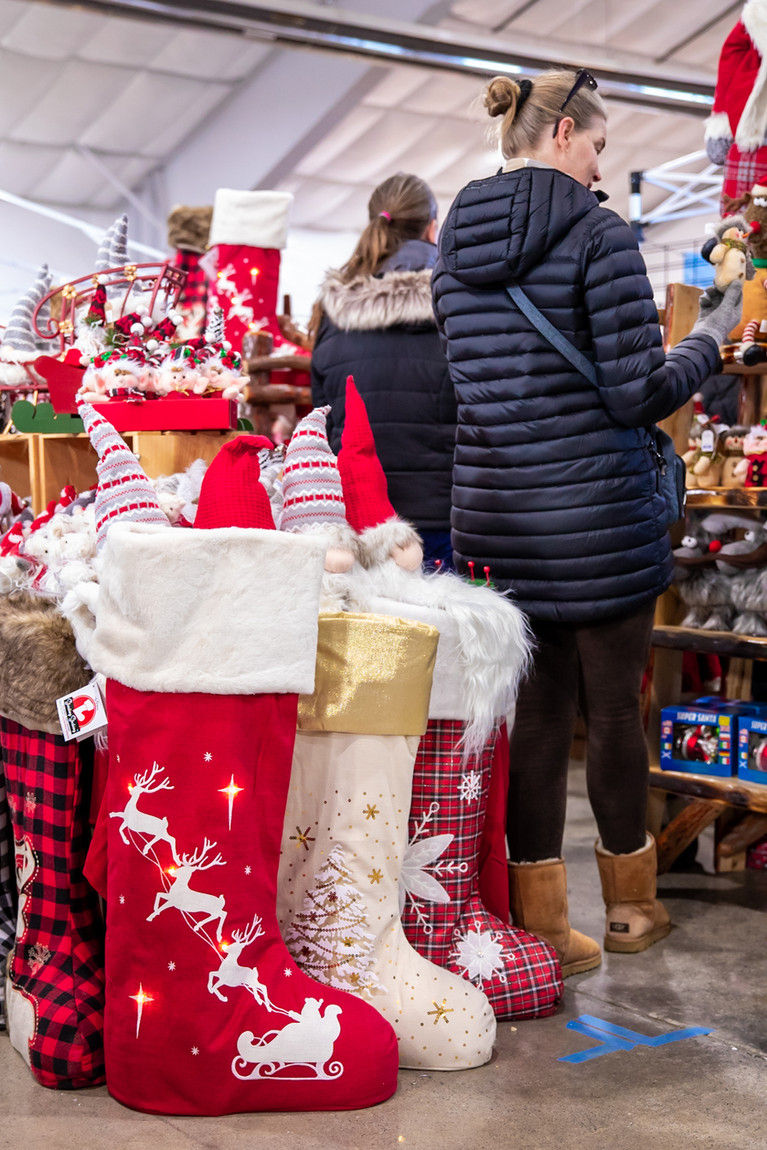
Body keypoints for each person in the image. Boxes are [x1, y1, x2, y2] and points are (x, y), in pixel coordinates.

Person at [431, 70, 742, 976]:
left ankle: (537, 928)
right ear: (565, 132)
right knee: (612, 711)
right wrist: (707, 339)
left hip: (499, 513)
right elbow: (632, 390)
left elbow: (473, 380)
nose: (602, 164)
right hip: (597, 512)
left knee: (534, 716)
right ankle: (631, 909)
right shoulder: (600, 235)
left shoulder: (455, 237)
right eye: (600, 146)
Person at [310, 172, 457, 568]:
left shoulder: (334, 308)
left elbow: (319, 419)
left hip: (359, 522)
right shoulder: (461, 300)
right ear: (433, 227)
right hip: (445, 517)